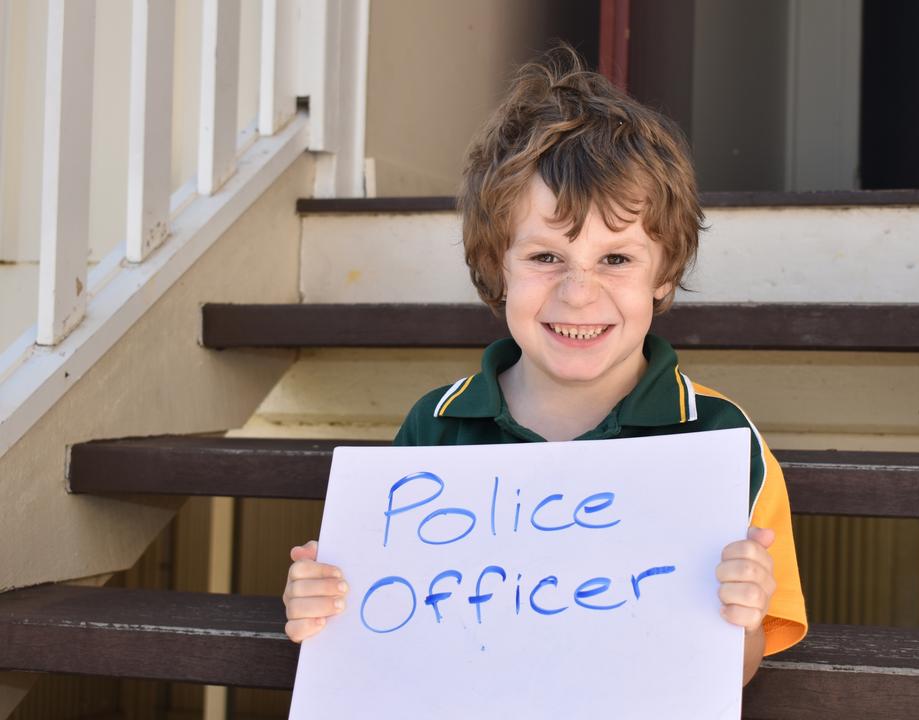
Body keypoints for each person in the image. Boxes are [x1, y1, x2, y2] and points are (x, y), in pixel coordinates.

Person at [281, 45, 807, 686]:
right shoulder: (437, 427)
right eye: (545, 258)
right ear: (494, 266)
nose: (578, 293)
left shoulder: (720, 439)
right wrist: (322, 606)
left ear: (664, 273)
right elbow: (387, 632)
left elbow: (732, 671)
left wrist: (745, 617)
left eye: (616, 260)